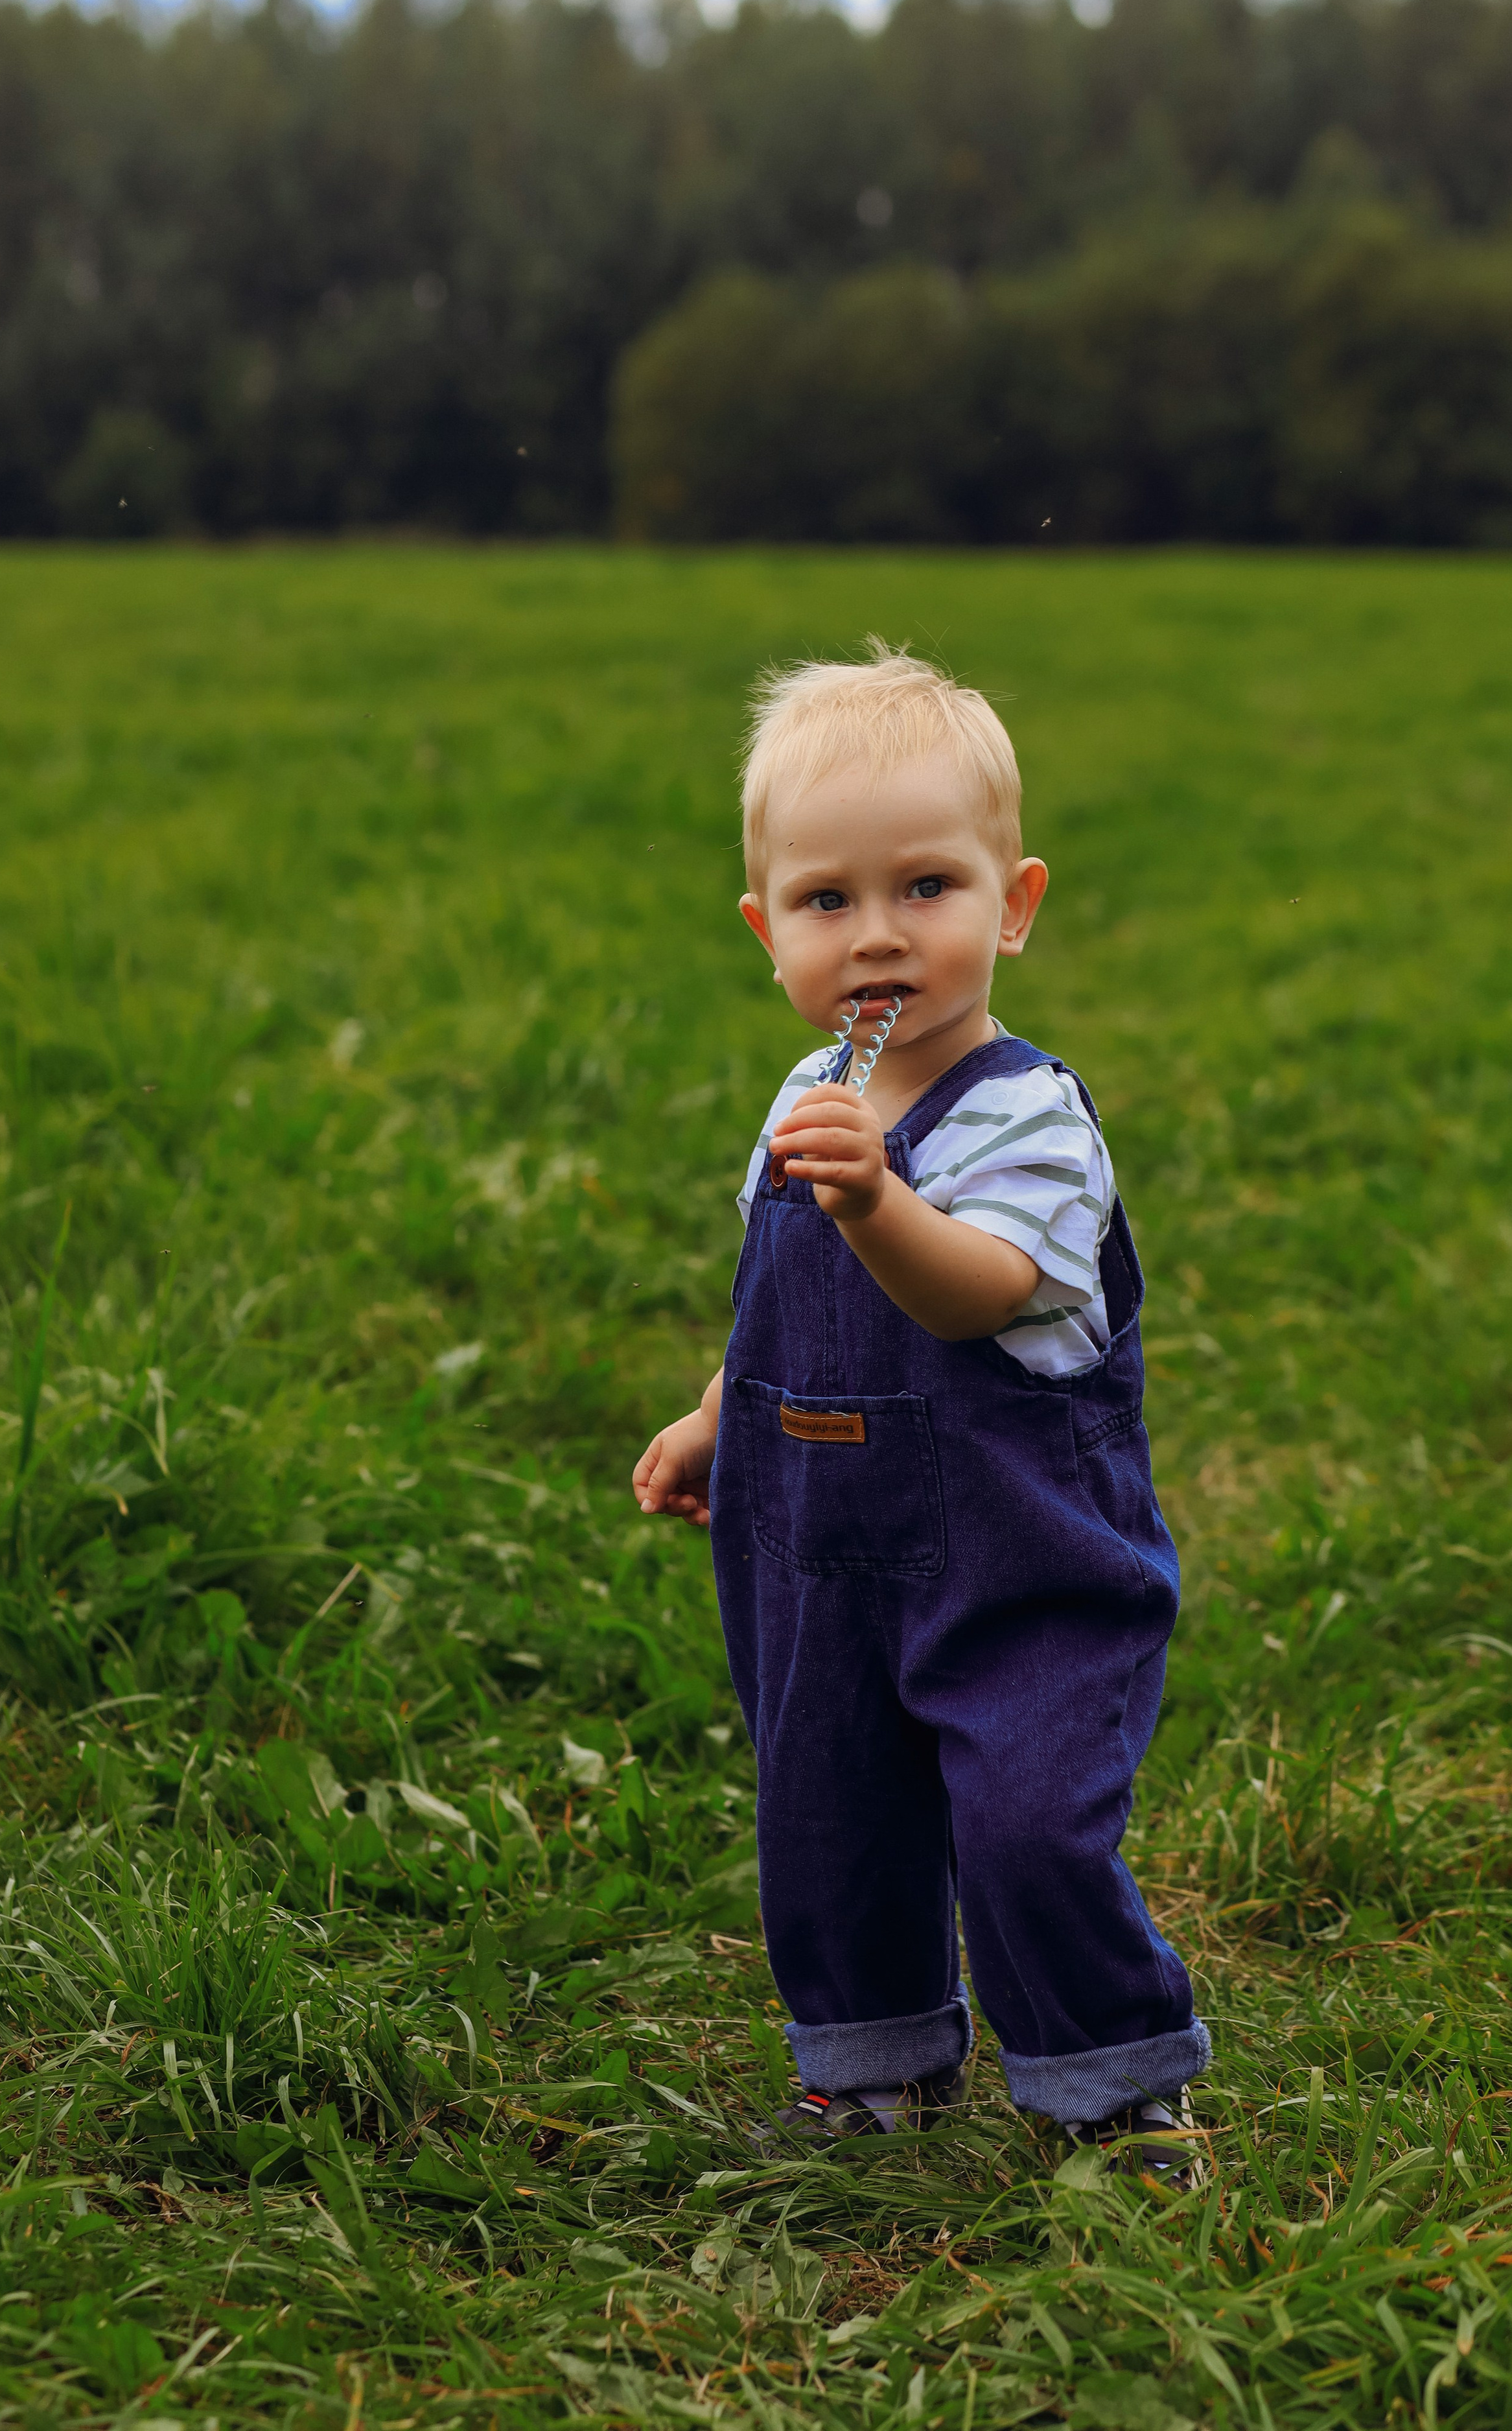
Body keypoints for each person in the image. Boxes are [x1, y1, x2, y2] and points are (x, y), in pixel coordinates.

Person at [633, 643, 1208, 2167]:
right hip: (817, 1547)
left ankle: (1108, 2078)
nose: (877, 938)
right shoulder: (802, 1099)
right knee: (828, 1815)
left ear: (1011, 905)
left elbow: (973, 1292)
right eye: (828, 903)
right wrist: (714, 1414)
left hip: (1019, 1559)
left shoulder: (1026, 1117)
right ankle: (871, 2058)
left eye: (927, 891)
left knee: (1024, 1820)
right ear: (768, 934)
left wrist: (875, 1196)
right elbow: (779, 1304)